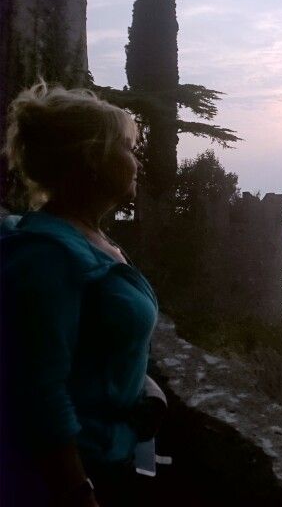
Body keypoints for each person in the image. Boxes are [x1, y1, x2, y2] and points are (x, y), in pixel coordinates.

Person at [1, 82, 162, 506]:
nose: (137, 159)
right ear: (92, 158)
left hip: (117, 458)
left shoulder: (91, 237)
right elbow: (40, 389)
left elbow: (93, 344)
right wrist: (77, 492)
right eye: (128, 147)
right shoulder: (45, 256)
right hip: (78, 477)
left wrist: (145, 387)